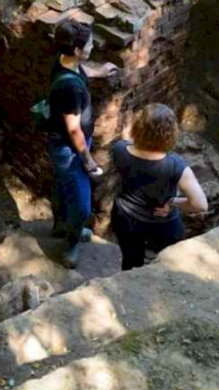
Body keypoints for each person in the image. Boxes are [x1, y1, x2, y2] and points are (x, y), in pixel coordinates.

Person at [46, 20, 116, 269]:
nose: (93, 45)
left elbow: (80, 69)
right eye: (88, 44)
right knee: (83, 204)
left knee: (63, 185)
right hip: (70, 149)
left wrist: (99, 71)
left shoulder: (64, 62)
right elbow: (73, 127)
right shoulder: (70, 89)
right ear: (76, 50)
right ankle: (72, 242)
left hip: (63, 145)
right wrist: (87, 160)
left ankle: (60, 225)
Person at [111, 103, 209, 271]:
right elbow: (200, 204)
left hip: (126, 216)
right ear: (171, 133)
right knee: (172, 259)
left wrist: (132, 131)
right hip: (162, 221)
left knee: (131, 261)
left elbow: (128, 141)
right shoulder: (175, 165)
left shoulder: (119, 150)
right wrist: (172, 202)